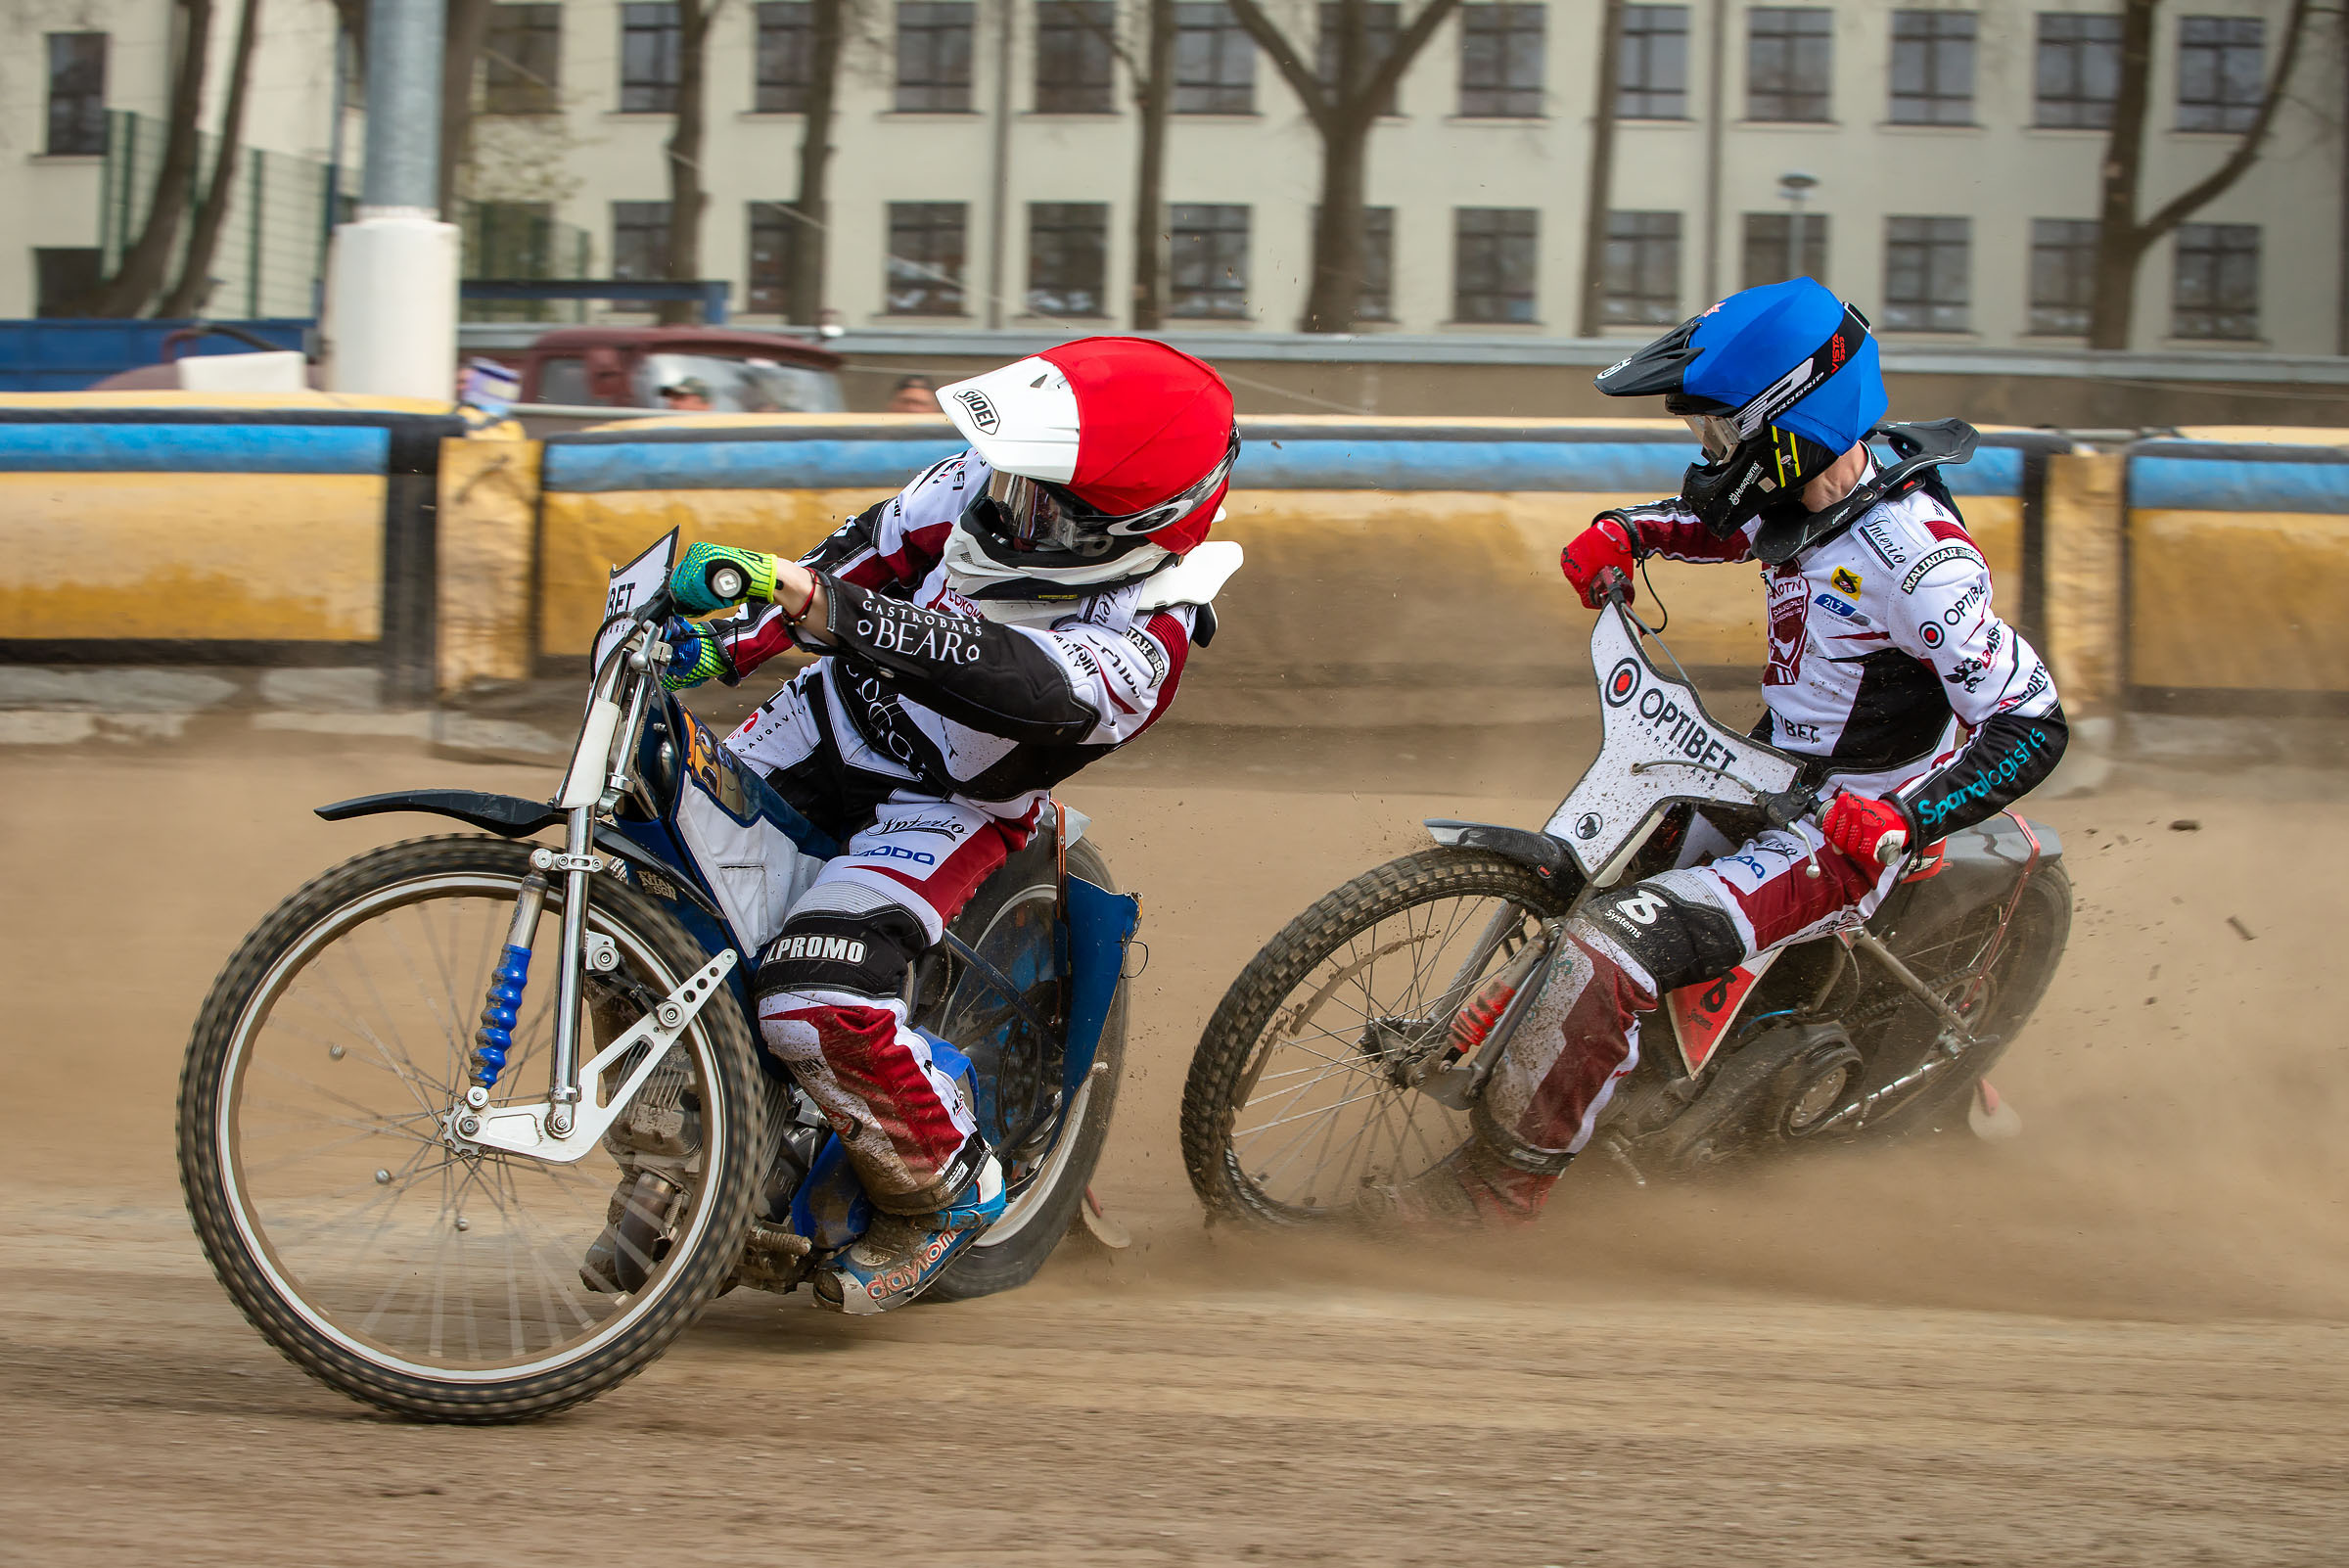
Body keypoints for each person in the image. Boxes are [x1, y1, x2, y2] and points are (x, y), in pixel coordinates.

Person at [1381, 278, 2068, 1226]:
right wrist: (1627, 532)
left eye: (1718, 435)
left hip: (1844, 828)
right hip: (1766, 772)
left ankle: (1496, 1197)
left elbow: (2032, 720)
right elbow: (1729, 523)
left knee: (1611, 949)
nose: (1709, 456)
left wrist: (1906, 817)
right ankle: (1576, 1070)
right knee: (1603, 875)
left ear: (1788, 421)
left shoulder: (1919, 562)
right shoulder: (1813, 481)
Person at [656, 337, 1242, 1310]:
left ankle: (945, 1184)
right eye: (1013, 481)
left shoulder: (1152, 630)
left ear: (1142, 523)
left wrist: (830, 610)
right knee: (657, 877)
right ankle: (692, 1150)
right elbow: (866, 550)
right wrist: (725, 644)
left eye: (1043, 502)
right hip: (827, 719)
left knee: (810, 1001)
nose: (1005, 505)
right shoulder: (993, 477)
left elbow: (1002, 675)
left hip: (950, 805)